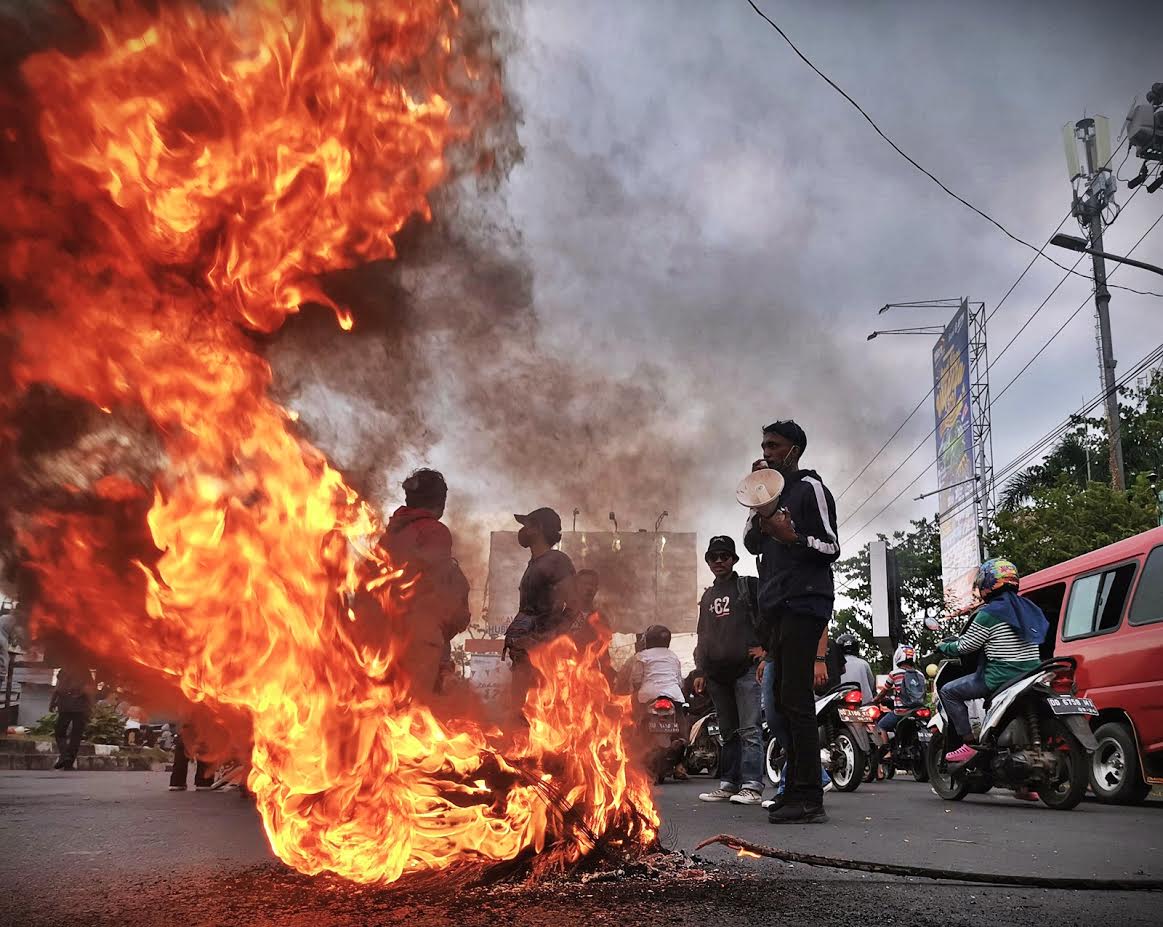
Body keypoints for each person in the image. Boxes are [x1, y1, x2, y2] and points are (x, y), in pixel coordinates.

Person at [744, 419, 840, 824]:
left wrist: (792, 537)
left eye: (774, 445)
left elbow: (831, 545)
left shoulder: (810, 488)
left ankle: (809, 796)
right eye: (764, 445)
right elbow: (751, 544)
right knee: (783, 702)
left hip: (805, 603)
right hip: (778, 607)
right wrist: (761, 507)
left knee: (797, 700)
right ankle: (795, 788)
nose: (767, 452)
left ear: (794, 449)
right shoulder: (769, 496)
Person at [938, 558, 1048, 768]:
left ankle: (969, 744)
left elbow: (966, 646)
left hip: (1000, 676)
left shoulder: (988, 613)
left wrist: (944, 646)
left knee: (948, 692)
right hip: (1033, 673)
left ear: (987, 583)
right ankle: (1024, 784)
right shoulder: (1031, 608)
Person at [378, 468, 471, 694]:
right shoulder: (434, 531)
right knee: (425, 705)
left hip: (385, 635)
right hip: (423, 635)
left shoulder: (390, 534)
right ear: (439, 502)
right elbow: (438, 587)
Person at [692, 536, 765, 806]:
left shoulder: (747, 586)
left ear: (733, 558)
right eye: (713, 557)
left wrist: (766, 650)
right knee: (728, 732)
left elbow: (770, 615)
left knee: (750, 729)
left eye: (724, 555)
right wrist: (700, 670)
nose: (719, 561)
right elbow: (702, 635)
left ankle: (752, 786)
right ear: (708, 562)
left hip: (746, 670)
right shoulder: (708, 596)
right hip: (717, 675)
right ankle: (729, 783)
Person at [503, 507, 576, 703]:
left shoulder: (556, 561)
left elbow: (573, 603)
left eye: (526, 526)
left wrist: (551, 638)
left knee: (538, 709)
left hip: (542, 656)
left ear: (539, 528)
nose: (522, 531)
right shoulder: (535, 563)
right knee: (519, 709)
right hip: (524, 654)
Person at [627, 623, 689, 779]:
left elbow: (636, 679)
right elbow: (679, 680)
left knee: (636, 722)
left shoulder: (641, 656)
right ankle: (680, 756)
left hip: (648, 695)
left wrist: (634, 691)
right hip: (673, 695)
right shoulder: (673, 656)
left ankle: (635, 749)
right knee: (681, 724)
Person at [49, 655, 95, 770]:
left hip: (65, 704)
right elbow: (88, 691)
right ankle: (68, 762)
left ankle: (64, 756)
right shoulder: (85, 671)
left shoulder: (64, 669)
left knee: (60, 731)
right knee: (76, 735)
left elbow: (57, 688)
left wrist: (52, 702)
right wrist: (91, 707)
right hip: (80, 707)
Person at [837, 632, 876, 703]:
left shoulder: (836, 664)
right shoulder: (864, 664)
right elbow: (871, 683)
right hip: (864, 704)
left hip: (841, 703)